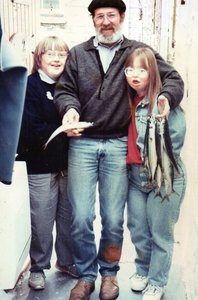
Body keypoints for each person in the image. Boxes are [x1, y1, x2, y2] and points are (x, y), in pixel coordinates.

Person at [54, 1, 184, 299]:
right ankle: (86, 276)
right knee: (81, 216)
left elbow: (173, 79)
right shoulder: (77, 53)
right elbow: (65, 91)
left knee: (113, 218)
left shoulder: (137, 50)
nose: (106, 21)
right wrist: (70, 110)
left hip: (117, 144)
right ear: (93, 21)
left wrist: (165, 97)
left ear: (121, 18)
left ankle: (109, 275)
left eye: (111, 15)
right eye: (99, 16)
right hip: (82, 143)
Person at [16, 36, 78, 291]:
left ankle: (66, 261)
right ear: (38, 58)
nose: (55, 58)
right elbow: (30, 127)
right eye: (49, 53)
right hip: (39, 166)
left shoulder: (69, 87)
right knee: (41, 220)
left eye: (61, 54)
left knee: (68, 219)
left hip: (67, 165)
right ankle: (39, 267)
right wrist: (65, 129)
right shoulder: (29, 86)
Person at [125, 47, 186, 300]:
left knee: (161, 234)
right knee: (138, 229)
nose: (135, 75)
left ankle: (157, 281)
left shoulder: (162, 101)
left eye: (142, 69)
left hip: (163, 177)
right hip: (134, 177)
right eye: (130, 69)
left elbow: (176, 138)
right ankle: (142, 270)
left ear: (153, 72)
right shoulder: (126, 100)